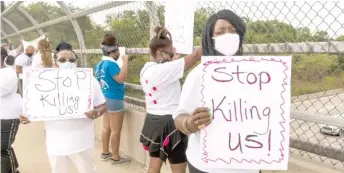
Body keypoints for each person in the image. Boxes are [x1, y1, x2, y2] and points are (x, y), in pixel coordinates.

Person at [173, 9, 260, 173]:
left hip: (247, 165)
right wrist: (190, 123)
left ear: (240, 35)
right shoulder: (199, 75)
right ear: (211, 39)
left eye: (233, 31)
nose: (228, 35)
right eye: (220, 32)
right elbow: (179, 117)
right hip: (208, 166)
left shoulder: (255, 75)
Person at [19, 42, 107, 173]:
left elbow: (103, 104)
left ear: (76, 62)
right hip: (56, 144)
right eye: (62, 60)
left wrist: (97, 112)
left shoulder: (89, 80)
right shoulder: (43, 82)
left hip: (82, 141)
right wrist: (28, 116)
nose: (67, 62)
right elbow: (34, 108)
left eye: (72, 60)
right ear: (55, 63)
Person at [139, 27, 202, 173]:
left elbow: (166, 71)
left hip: (152, 120)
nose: (173, 55)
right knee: (178, 167)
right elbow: (196, 55)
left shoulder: (146, 69)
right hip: (170, 122)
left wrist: (171, 60)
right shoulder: (164, 70)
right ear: (160, 53)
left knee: (153, 167)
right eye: (170, 52)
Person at [95, 33, 131, 165]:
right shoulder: (111, 65)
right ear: (113, 52)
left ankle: (105, 152)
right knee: (116, 129)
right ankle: (116, 157)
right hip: (115, 98)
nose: (119, 54)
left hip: (104, 98)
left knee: (106, 128)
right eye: (117, 52)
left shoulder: (99, 65)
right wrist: (125, 62)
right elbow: (120, 79)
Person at [0, 47, 22, 173]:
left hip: (8, 115)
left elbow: (2, 90)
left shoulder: (9, 73)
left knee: (2, 148)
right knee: (3, 147)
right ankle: (14, 168)